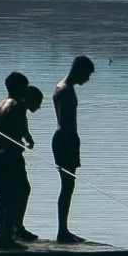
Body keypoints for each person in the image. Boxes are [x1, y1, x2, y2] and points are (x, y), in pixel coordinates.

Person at [0, 73, 43, 248]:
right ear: (20, 89)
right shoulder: (18, 106)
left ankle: (7, 233)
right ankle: (12, 232)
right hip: (11, 156)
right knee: (20, 191)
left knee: (3, 197)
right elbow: (22, 128)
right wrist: (29, 140)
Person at [52, 54, 95, 243]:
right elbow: (66, 123)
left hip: (66, 139)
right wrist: (71, 144)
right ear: (80, 71)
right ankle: (62, 231)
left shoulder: (62, 86)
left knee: (68, 186)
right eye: (87, 74)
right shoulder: (66, 90)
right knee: (67, 186)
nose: (88, 78)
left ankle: (64, 229)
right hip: (65, 140)